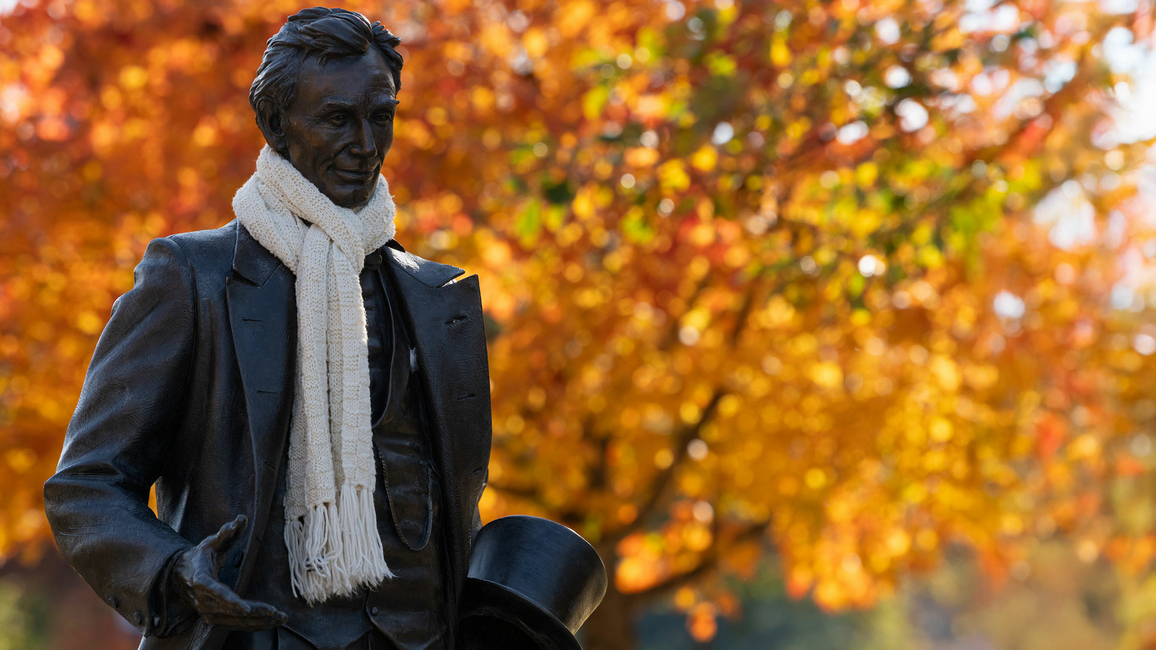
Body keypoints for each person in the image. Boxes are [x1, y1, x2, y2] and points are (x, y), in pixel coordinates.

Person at [43, 8, 492, 650]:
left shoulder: (436, 294)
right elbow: (85, 484)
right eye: (337, 119)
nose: (365, 145)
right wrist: (171, 572)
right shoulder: (192, 277)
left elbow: (455, 507)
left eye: (381, 117)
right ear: (276, 124)